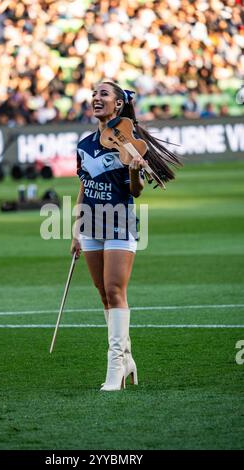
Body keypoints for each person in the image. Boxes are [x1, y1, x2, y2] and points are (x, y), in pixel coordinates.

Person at [70, 81, 181, 391]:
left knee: (115, 290)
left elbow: (135, 191)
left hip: (120, 222)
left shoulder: (129, 144)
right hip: (91, 224)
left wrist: (134, 170)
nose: (95, 98)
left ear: (119, 105)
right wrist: (76, 230)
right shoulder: (84, 144)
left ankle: (115, 366)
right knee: (103, 295)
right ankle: (128, 359)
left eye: (103, 94)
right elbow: (83, 186)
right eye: (93, 93)